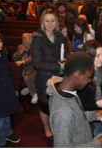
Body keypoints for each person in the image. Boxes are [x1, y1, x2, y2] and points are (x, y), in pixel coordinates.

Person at [47, 52, 102, 147]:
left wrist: (92, 115)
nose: (90, 81)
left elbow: (75, 117)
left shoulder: (68, 92)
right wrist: (97, 144)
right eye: (89, 77)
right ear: (78, 75)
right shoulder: (63, 112)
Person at [30, 8, 69, 138]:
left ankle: (58, 126)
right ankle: (47, 128)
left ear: (56, 21)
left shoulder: (60, 36)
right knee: (45, 106)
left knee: (59, 105)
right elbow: (37, 63)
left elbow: (67, 52)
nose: (50, 24)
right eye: (47, 21)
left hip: (60, 77)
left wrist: (66, 60)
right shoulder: (37, 39)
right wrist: (58, 66)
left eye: (53, 21)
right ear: (42, 22)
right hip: (44, 78)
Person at [77, 40, 102, 137]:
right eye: (97, 56)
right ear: (89, 57)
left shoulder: (101, 71)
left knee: (101, 137)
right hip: (85, 117)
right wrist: (97, 104)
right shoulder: (82, 77)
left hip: (98, 112)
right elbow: (78, 106)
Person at [13, 33, 38, 104]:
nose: (24, 44)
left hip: (33, 68)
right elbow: (14, 58)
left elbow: (32, 58)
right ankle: (28, 88)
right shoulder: (20, 47)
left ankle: (34, 93)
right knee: (13, 74)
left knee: (27, 78)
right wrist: (19, 53)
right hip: (22, 68)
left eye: (26, 42)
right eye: (23, 41)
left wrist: (23, 61)